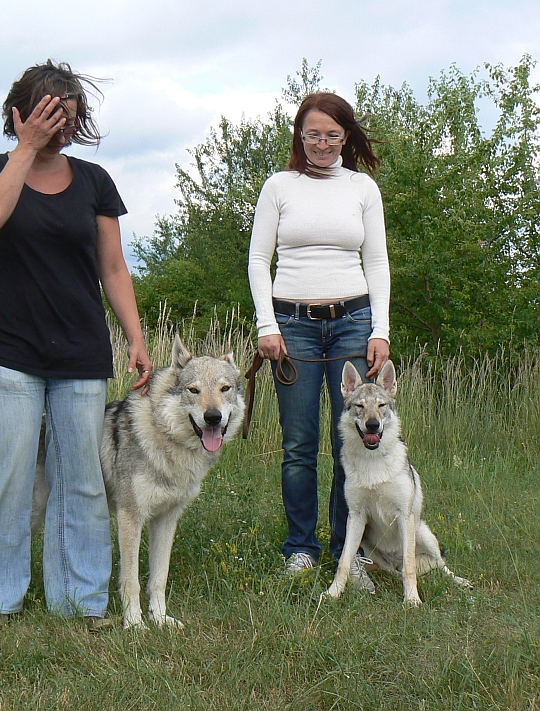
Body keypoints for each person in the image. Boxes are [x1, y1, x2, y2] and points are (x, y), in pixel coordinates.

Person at [0, 60, 152, 629]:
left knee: (84, 479)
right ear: (19, 113)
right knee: (9, 473)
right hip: (9, 352)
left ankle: (81, 602)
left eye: (69, 117)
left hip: (81, 353)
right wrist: (25, 149)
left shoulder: (94, 181)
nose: (61, 127)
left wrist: (135, 337)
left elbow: (112, 267)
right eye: (48, 115)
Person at [248, 92, 390, 590]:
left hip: (353, 320)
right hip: (294, 326)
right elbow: (257, 260)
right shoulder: (278, 186)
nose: (323, 143)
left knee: (348, 441)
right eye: (314, 134)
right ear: (299, 136)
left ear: (345, 136)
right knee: (299, 443)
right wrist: (268, 325)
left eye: (333, 134)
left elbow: (377, 263)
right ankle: (302, 549)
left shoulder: (362, 188)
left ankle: (348, 553)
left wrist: (380, 330)